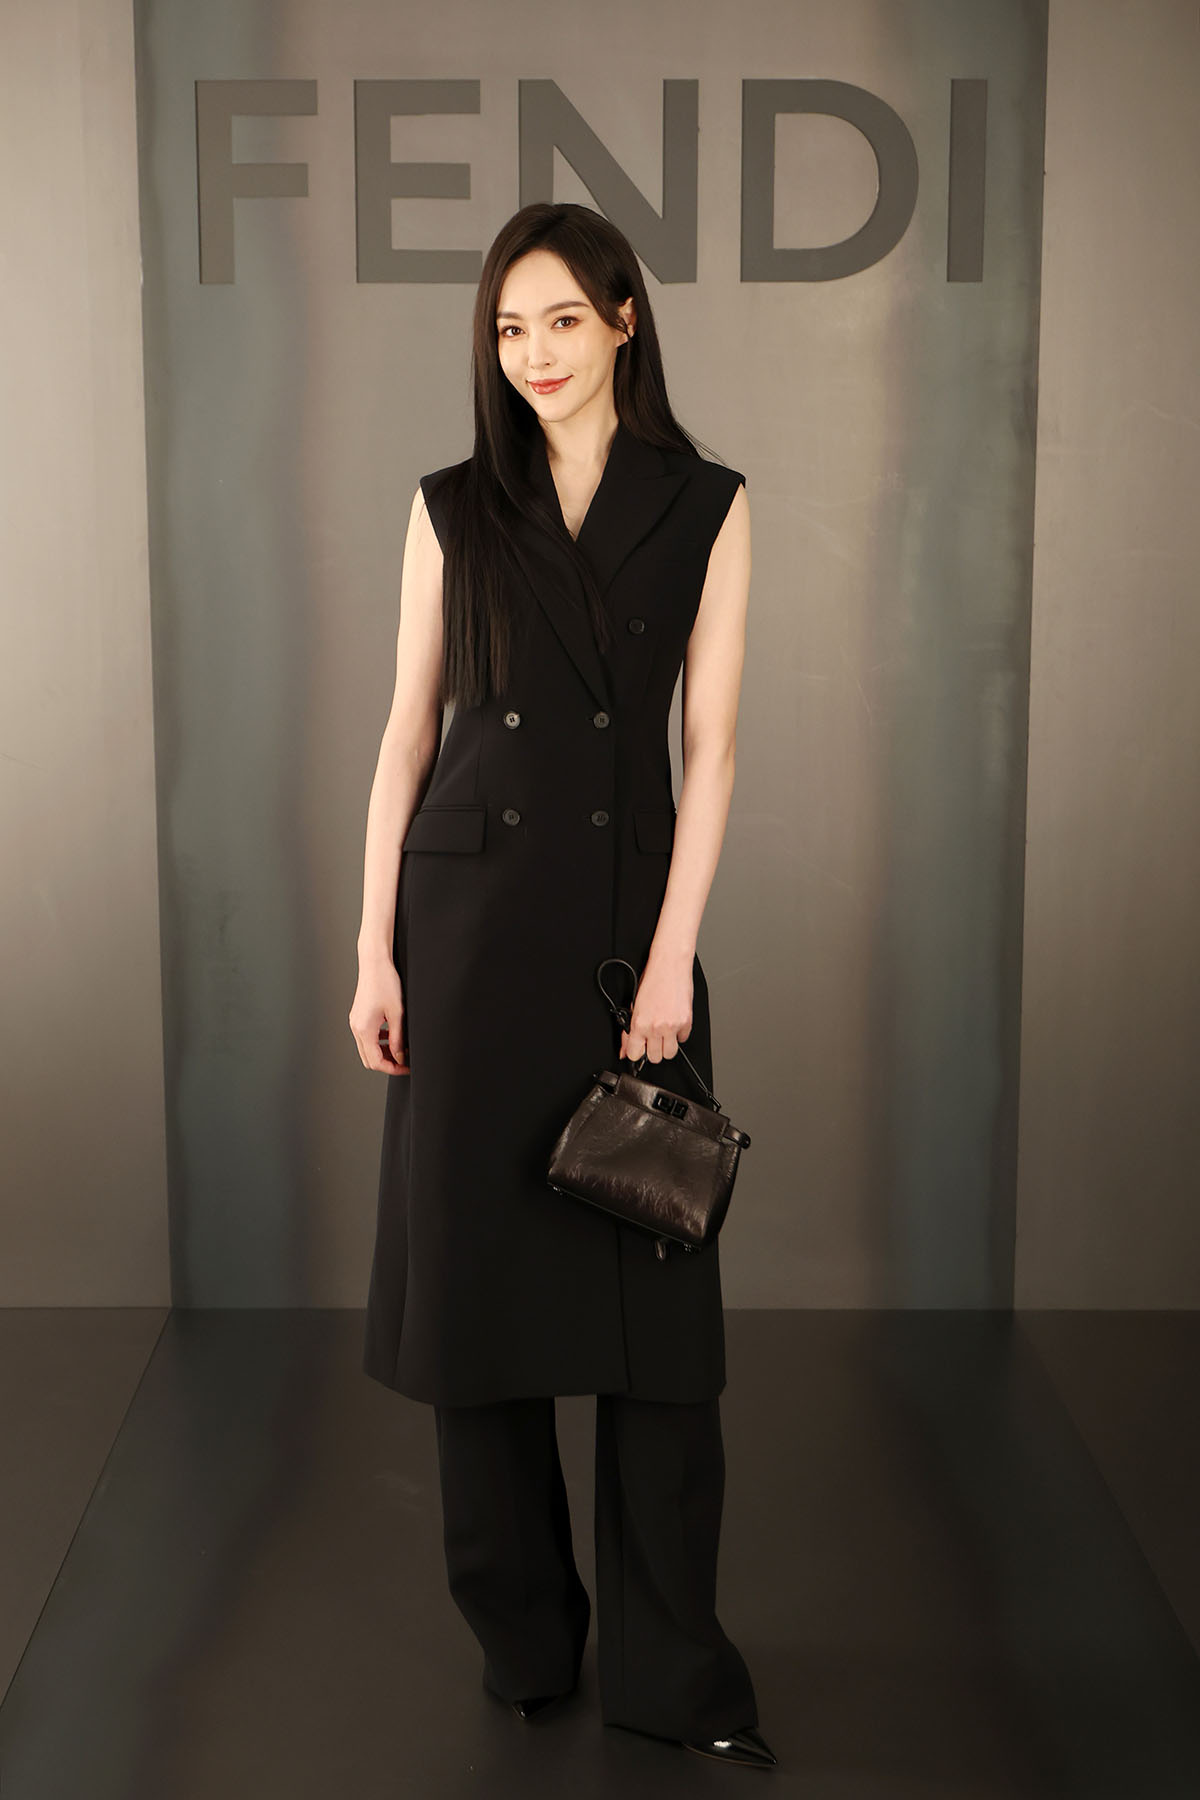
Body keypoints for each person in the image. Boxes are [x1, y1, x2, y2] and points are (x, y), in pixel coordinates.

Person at [349, 201, 776, 1771]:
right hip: (465, 936)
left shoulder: (706, 503)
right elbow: (408, 733)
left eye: (561, 321)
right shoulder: (454, 508)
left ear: (624, 321)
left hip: (618, 937)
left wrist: (670, 957)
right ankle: (524, 1644)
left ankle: (673, 1673)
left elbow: (708, 750)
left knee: (654, 1315)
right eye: (508, 328)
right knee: (480, 1310)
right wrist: (372, 945)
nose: (532, 353)